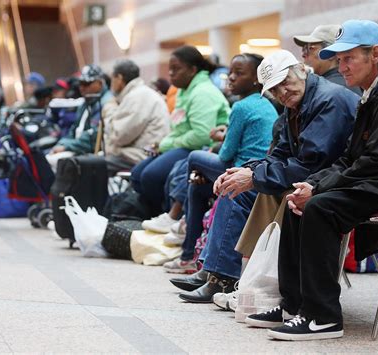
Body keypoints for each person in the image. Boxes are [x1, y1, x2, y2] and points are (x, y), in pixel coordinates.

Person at [263, 20, 378, 341]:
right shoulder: (373, 92)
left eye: (348, 58)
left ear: (375, 54)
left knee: (321, 207)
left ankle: (322, 316)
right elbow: (351, 157)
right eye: (338, 60)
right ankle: (294, 306)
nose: (342, 66)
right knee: (298, 201)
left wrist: (321, 189)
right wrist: (313, 183)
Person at [174, 49, 359, 303]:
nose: (282, 92)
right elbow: (279, 153)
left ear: (302, 71)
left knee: (263, 191)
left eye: (285, 82)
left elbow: (311, 164)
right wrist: (247, 170)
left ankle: (256, 283)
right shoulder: (297, 103)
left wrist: (254, 177)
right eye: (275, 89)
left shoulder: (328, 100)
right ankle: (226, 275)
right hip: (314, 176)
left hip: (331, 181)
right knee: (237, 188)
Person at [161, 53, 278, 273]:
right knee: (197, 187)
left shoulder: (242, 107)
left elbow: (225, 156)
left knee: (195, 157)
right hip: (255, 168)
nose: (230, 78)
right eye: (230, 72)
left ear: (256, 79)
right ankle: (188, 254)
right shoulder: (266, 104)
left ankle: (178, 217)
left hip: (242, 169)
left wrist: (218, 146)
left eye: (238, 73)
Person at [131, 45, 230, 216]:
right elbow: (179, 127)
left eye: (176, 69)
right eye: (169, 70)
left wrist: (166, 145)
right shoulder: (184, 91)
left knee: (150, 176)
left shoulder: (203, 93)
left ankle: (167, 217)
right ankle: (154, 215)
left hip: (203, 148)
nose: (170, 74)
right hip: (184, 145)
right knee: (137, 174)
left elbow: (201, 135)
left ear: (192, 70)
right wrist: (161, 144)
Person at [103, 59, 170, 176]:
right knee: (95, 162)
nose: (111, 84)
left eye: (112, 78)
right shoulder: (139, 94)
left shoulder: (137, 96)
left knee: (94, 166)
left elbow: (119, 135)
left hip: (143, 155)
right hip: (143, 152)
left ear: (119, 78)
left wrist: (109, 109)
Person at [46, 64, 112, 169]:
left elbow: (94, 137)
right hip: (78, 148)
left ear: (99, 83)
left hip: (92, 152)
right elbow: (73, 129)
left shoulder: (106, 103)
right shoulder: (86, 102)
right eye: (80, 84)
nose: (82, 88)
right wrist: (62, 144)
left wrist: (66, 146)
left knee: (51, 163)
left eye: (86, 84)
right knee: (46, 158)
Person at [293, 24, 361, 94]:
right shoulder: (348, 83)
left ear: (330, 53)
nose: (303, 54)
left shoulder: (328, 89)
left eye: (310, 48)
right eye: (304, 49)